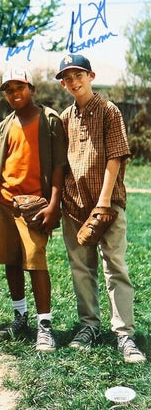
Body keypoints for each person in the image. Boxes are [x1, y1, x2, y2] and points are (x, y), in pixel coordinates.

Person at [56, 54, 146, 363]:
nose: (73, 82)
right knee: (81, 267)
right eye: (67, 78)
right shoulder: (66, 117)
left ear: (91, 76)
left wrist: (104, 202)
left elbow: (115, 156)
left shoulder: (109, 111)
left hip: (107, 204)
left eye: (78, 75)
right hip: (75, 204)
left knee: (115, 266)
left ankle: (124, 333)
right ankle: (89, 326)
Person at [0, 67, 67, 352]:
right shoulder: (4, 126)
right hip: (5, 203)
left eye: (20, 87)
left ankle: (45, 326)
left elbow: (59, 166)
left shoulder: (49, 120)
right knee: (11, 261)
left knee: (35, 261)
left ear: (31, 88)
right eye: (9, 90)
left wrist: (53, 205)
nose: (15, 93)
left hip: (35, 206)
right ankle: (20, 317)